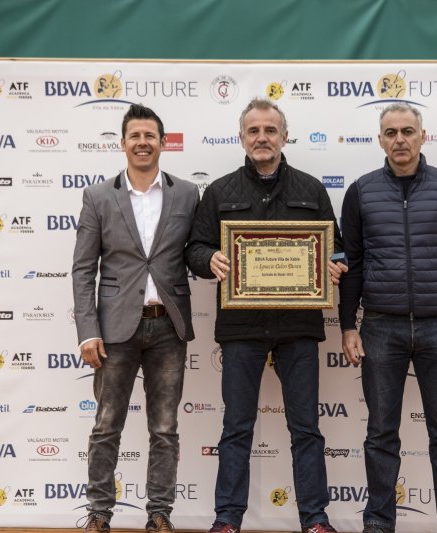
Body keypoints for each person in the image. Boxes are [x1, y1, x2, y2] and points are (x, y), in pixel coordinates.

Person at [185, 98, 347, 533]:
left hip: (298, 327)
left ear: (284, 137)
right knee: (237, 427)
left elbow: (338, 246)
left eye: (270, 130)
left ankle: (315, 520)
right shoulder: (219, 191)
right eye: (253, 130)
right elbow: (195, 249)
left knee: (306, 429)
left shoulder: (312, 189)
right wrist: (212, 260)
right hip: (241, 329)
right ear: (242, 138)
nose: (262, 138)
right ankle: (227, 520)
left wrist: (336, 262)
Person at [338, 102, 437, 533]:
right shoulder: (360, 192)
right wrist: (348, 325)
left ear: (423, 136)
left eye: (407, 131)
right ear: (380, 139)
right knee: (381, 434)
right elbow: (353, 265)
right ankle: (378, 524)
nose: (399, 139)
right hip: (381, 327)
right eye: (390, 132)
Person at [72, 104, 199, 533]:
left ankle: (159, 513)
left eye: (150, 136)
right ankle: (98, 514)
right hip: (114, 331)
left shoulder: (187, 194)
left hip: (169, 326)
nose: (143, 143)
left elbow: (194, 253)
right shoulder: (97, 196)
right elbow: (83, 269)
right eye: (135, 136)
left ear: (163, 143)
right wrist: (87, 332)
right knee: (107, 425)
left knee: (165, 428)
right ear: (122, 143)